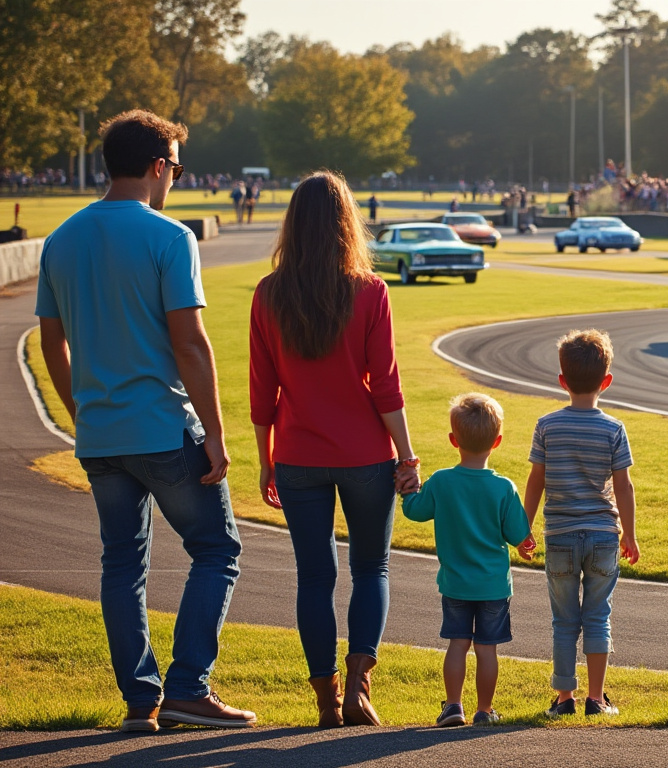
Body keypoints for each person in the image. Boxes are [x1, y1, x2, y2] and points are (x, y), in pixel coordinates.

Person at [35, 109, 254, 732]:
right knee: (217, 550)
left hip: (100, 434)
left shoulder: (61, 239)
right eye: (176, 170)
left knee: (122, 565)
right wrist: (216, 433)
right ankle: (188, 688)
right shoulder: (170, 237)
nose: (175, 181)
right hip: (162, 427)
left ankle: (141, 700)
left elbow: (52, 342)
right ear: (159, 166)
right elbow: (190, 344)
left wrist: (81, 412)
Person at [249, 170, 421, 728]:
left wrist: (266, 459)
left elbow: (262, 391)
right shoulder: (370, 291)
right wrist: (407, 456)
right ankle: (359, 690)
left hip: (297, 455)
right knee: (371, 568)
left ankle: (326, 698)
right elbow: (387, 386)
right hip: (366, 455)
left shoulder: (268, 294)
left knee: (314, 578)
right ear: (347, 223)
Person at [523, 329, 639, 718]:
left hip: (560, 536)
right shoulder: (614, 429)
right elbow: (623, 487)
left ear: (562, 381)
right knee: (597, 615)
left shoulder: (547, 426)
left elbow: (536, 481)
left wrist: (524, 528)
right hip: (604, 535)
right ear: (607, 381)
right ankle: (596, 698)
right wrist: (629, 534)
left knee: (564, 620)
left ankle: (563, 699)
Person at [401, 393, 534, 727]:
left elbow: (415, 511)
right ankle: (484, 710)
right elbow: (517, 533)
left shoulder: (442, 481)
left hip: (456, 583)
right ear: (497, 441)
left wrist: (408, 490)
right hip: (493, 585)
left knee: (457, 644)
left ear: (453, 440)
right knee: (487, 649)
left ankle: (453, 706)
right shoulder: (504, 488)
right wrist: (524, 544)